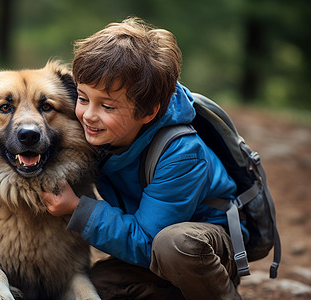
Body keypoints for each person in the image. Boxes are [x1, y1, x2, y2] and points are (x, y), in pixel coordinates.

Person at [42, 17, 244, 300]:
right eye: (83, 98)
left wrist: (78, 209)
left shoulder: (181, 154)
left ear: (148, 112)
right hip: (153, 241)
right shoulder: (101, 129)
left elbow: (149, 242)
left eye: (107, 106)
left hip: (205, 249)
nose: (88, 115)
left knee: (174, 245)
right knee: (94, 287)